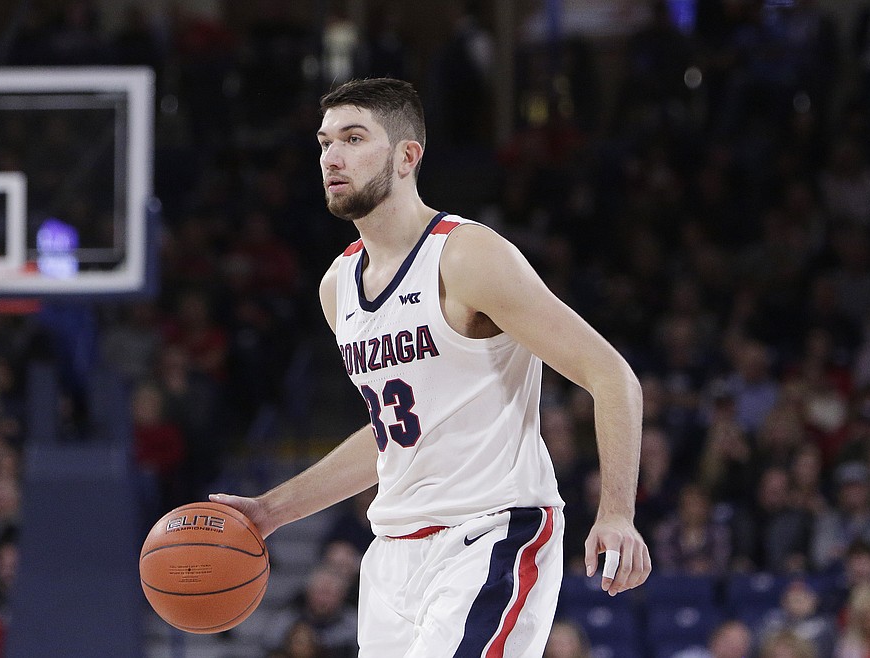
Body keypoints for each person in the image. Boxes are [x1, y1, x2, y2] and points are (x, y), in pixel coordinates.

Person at [211, 77, 650, 657]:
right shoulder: (336, 286)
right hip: (392, 555)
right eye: (323, 142)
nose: (331, 157)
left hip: (491, 535)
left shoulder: (466, 256)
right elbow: (393, 434)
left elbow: (611, 375)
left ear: (406, 156)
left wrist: (617, 512)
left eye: (352, 138)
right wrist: (271, 511)